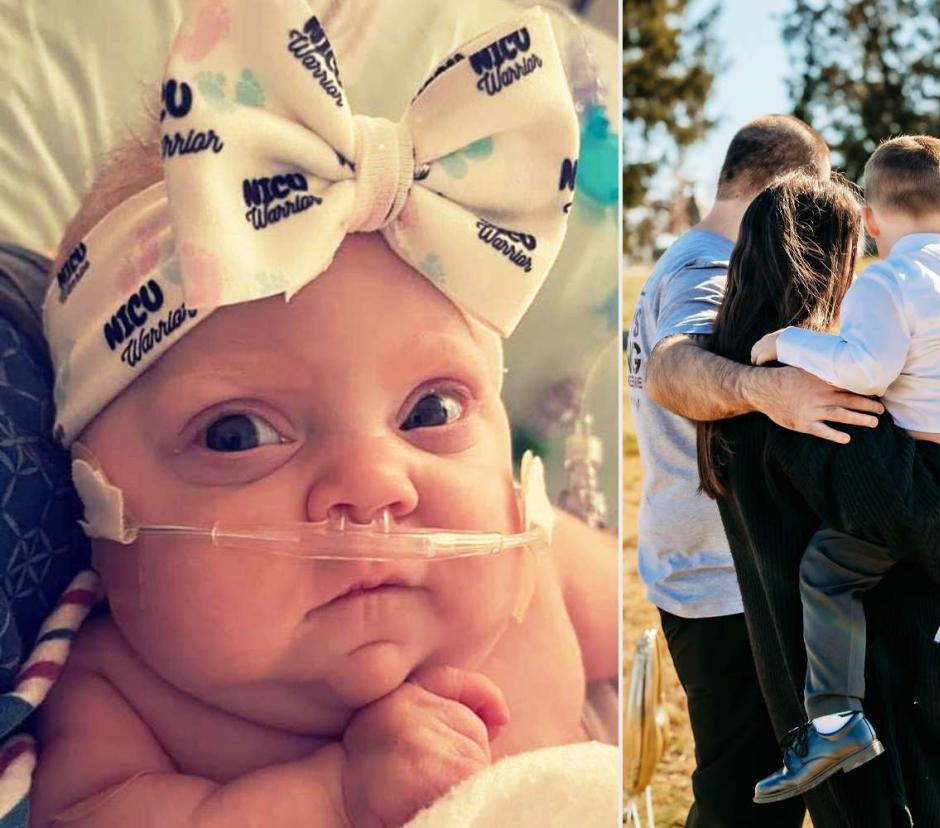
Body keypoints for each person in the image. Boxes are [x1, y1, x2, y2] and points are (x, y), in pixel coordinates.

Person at [29, 5, 617, 826]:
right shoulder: (121, 693)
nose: (373, 483)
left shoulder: (534, 571)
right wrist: (330, 797)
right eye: (237, 434)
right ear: (97, 501)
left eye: (432, 409)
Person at [697, 172, 940, 826]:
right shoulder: (821, 403)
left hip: (810, 693)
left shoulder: (733, 384)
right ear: (835, 260)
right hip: (905, 698)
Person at [626, 114, 883, 827]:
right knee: (748, 801)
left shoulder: (689, 254)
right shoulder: (708, 265)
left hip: (707, 571)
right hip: (724, 586)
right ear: (781, 190)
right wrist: (771, 391)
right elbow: (674, 371)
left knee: (756, 791)